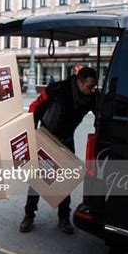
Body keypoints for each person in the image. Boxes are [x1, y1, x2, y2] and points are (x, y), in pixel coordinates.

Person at [19, 67, 97, 234]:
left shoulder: (91, 98)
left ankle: (64, 218)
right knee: (38, 179)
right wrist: (31, 132)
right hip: (47, 135)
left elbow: (101, 116)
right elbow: (35, 107)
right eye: (89, 86)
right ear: (79, 82)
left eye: (94, 87)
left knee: (65, 179)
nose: (91, 90)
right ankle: (29, 215)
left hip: (66, 139)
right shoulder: (58, 89)